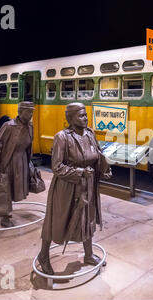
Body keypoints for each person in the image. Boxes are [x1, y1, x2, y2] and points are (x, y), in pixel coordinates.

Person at [38, 102, 111, 275]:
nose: (85, 118)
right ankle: (43, 255)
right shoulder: (62, 137)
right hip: (66, 187)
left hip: (88, 183)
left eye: (85, 115)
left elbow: (97, 155)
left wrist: (104, 168)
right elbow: (56, 166)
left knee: (87, 217)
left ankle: (88, 254)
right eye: (80, 115)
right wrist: (79, 172)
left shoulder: (90, 133)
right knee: (58, 220)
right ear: (70, 118)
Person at [0, 101, 35, 228]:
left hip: (22, 159)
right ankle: (5, 217)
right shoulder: (8, 126)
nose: (31, 114)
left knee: (16, 188)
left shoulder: (30, 126)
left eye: (32, 112)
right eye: (28, 112)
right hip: (8, 161)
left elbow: (29, 146)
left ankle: (7, 212)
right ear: (20, 112)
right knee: (6, 189)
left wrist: (29, 162)